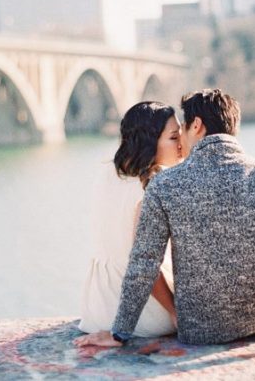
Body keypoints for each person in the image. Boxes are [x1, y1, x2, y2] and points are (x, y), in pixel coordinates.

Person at [75, 89, 255, 348]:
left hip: (200, 332)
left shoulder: (164, 185)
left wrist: (119, 333)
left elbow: (144, 262)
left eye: (181, 128)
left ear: (196, 126)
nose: (180, 137)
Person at [77, 101, 184, 337]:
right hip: (142, 315)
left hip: (97, 308)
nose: (182, 143)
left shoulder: (107, 173)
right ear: (150, 142)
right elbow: (146, 265)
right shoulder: (152, 186)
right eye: (174, 137)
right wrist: (174, 311)